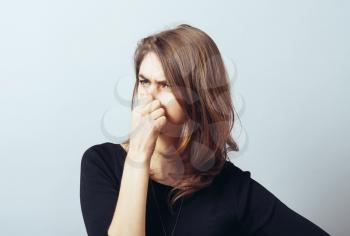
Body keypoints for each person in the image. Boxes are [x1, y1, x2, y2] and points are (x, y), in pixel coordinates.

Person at [80, 24, 331, 236]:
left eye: (166, 85)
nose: (150, 98)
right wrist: (137, 156)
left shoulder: (229, 186)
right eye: (144, 82)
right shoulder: (101, 163)